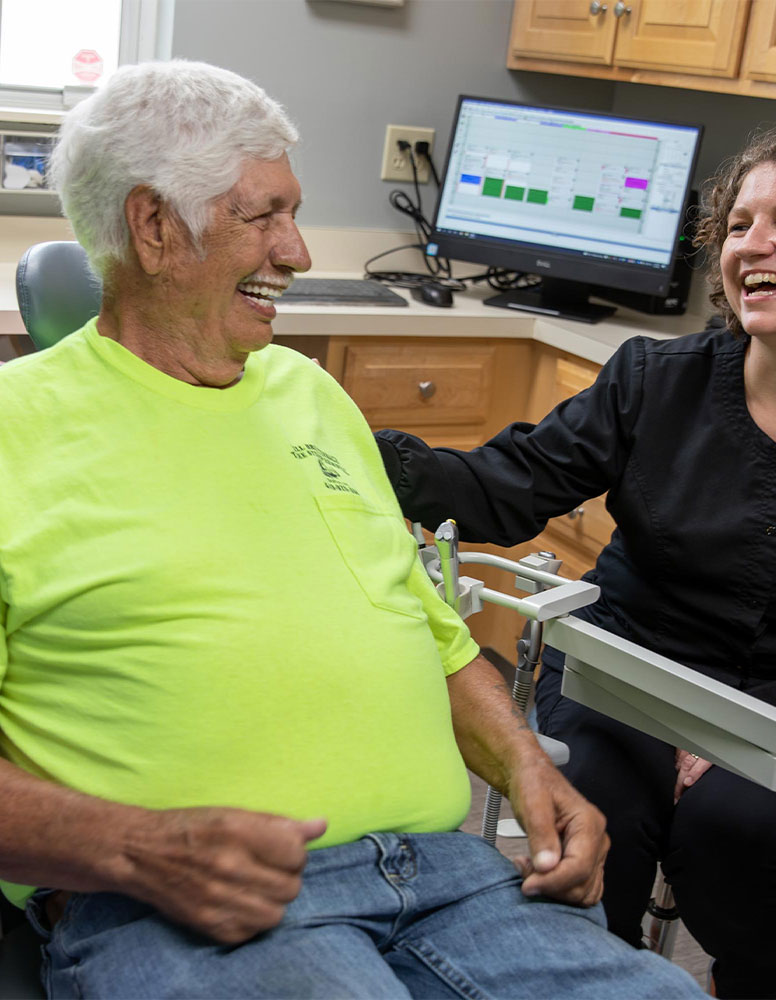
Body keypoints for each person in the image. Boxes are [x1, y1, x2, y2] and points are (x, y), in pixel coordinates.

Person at [0, 61, 705, 1000]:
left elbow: (433, 634)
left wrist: (529, 766)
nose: (296, 251)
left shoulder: (311, 394)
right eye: (263, 216)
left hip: (450, 882)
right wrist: (139, 847)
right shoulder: (16, 434)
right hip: (191, 908)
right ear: (154, 227)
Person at [376, 121, 776, 998]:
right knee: (585, 826)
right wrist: (353, 452)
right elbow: (507, 484)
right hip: (627, 679)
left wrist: (749, 721)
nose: (750, 246)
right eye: (736, 226)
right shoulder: (654, 378)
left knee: (742, 839)